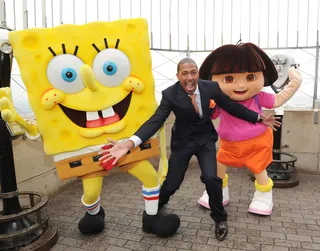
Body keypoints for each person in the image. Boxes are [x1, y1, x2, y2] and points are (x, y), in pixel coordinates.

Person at [99, 58, 278, 241]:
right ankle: (157, 205)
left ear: (198, 74)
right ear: (178, 76)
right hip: (183, 142)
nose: (190, 77)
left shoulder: (211, 88)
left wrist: (258, 117)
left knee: (211, 177)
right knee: (172, 183)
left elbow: (231, 106)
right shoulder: (170, 94)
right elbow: (156, 120)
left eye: (193, 72)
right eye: (185, 73)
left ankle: (220, 219)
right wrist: (129, 143)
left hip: (205, 140)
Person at [197, 42, 301, 216]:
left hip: (256, 144)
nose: (240, 86)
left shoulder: (258, 97)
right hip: (228, 145)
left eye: (250, 77)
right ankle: (218, 193)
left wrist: (294, 83)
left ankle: (263, 196)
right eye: (229, 79)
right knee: (218, 169)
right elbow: (209, 115)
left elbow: (278, 99)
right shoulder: (220, 100)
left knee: (259, 170)